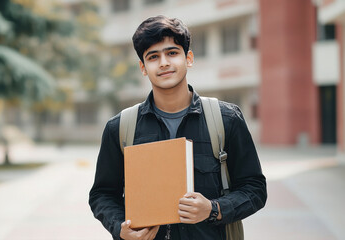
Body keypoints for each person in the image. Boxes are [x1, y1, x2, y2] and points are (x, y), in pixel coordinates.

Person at [89, 15, 267, 240]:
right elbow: (102, 194)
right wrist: (120, 229)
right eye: (153, 57)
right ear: (143, 68)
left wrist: (214, 209)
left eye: (172, 53)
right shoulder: (121, 127)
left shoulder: (226, 119)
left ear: (188, 58)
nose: (163, 62)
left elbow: (255, 189)